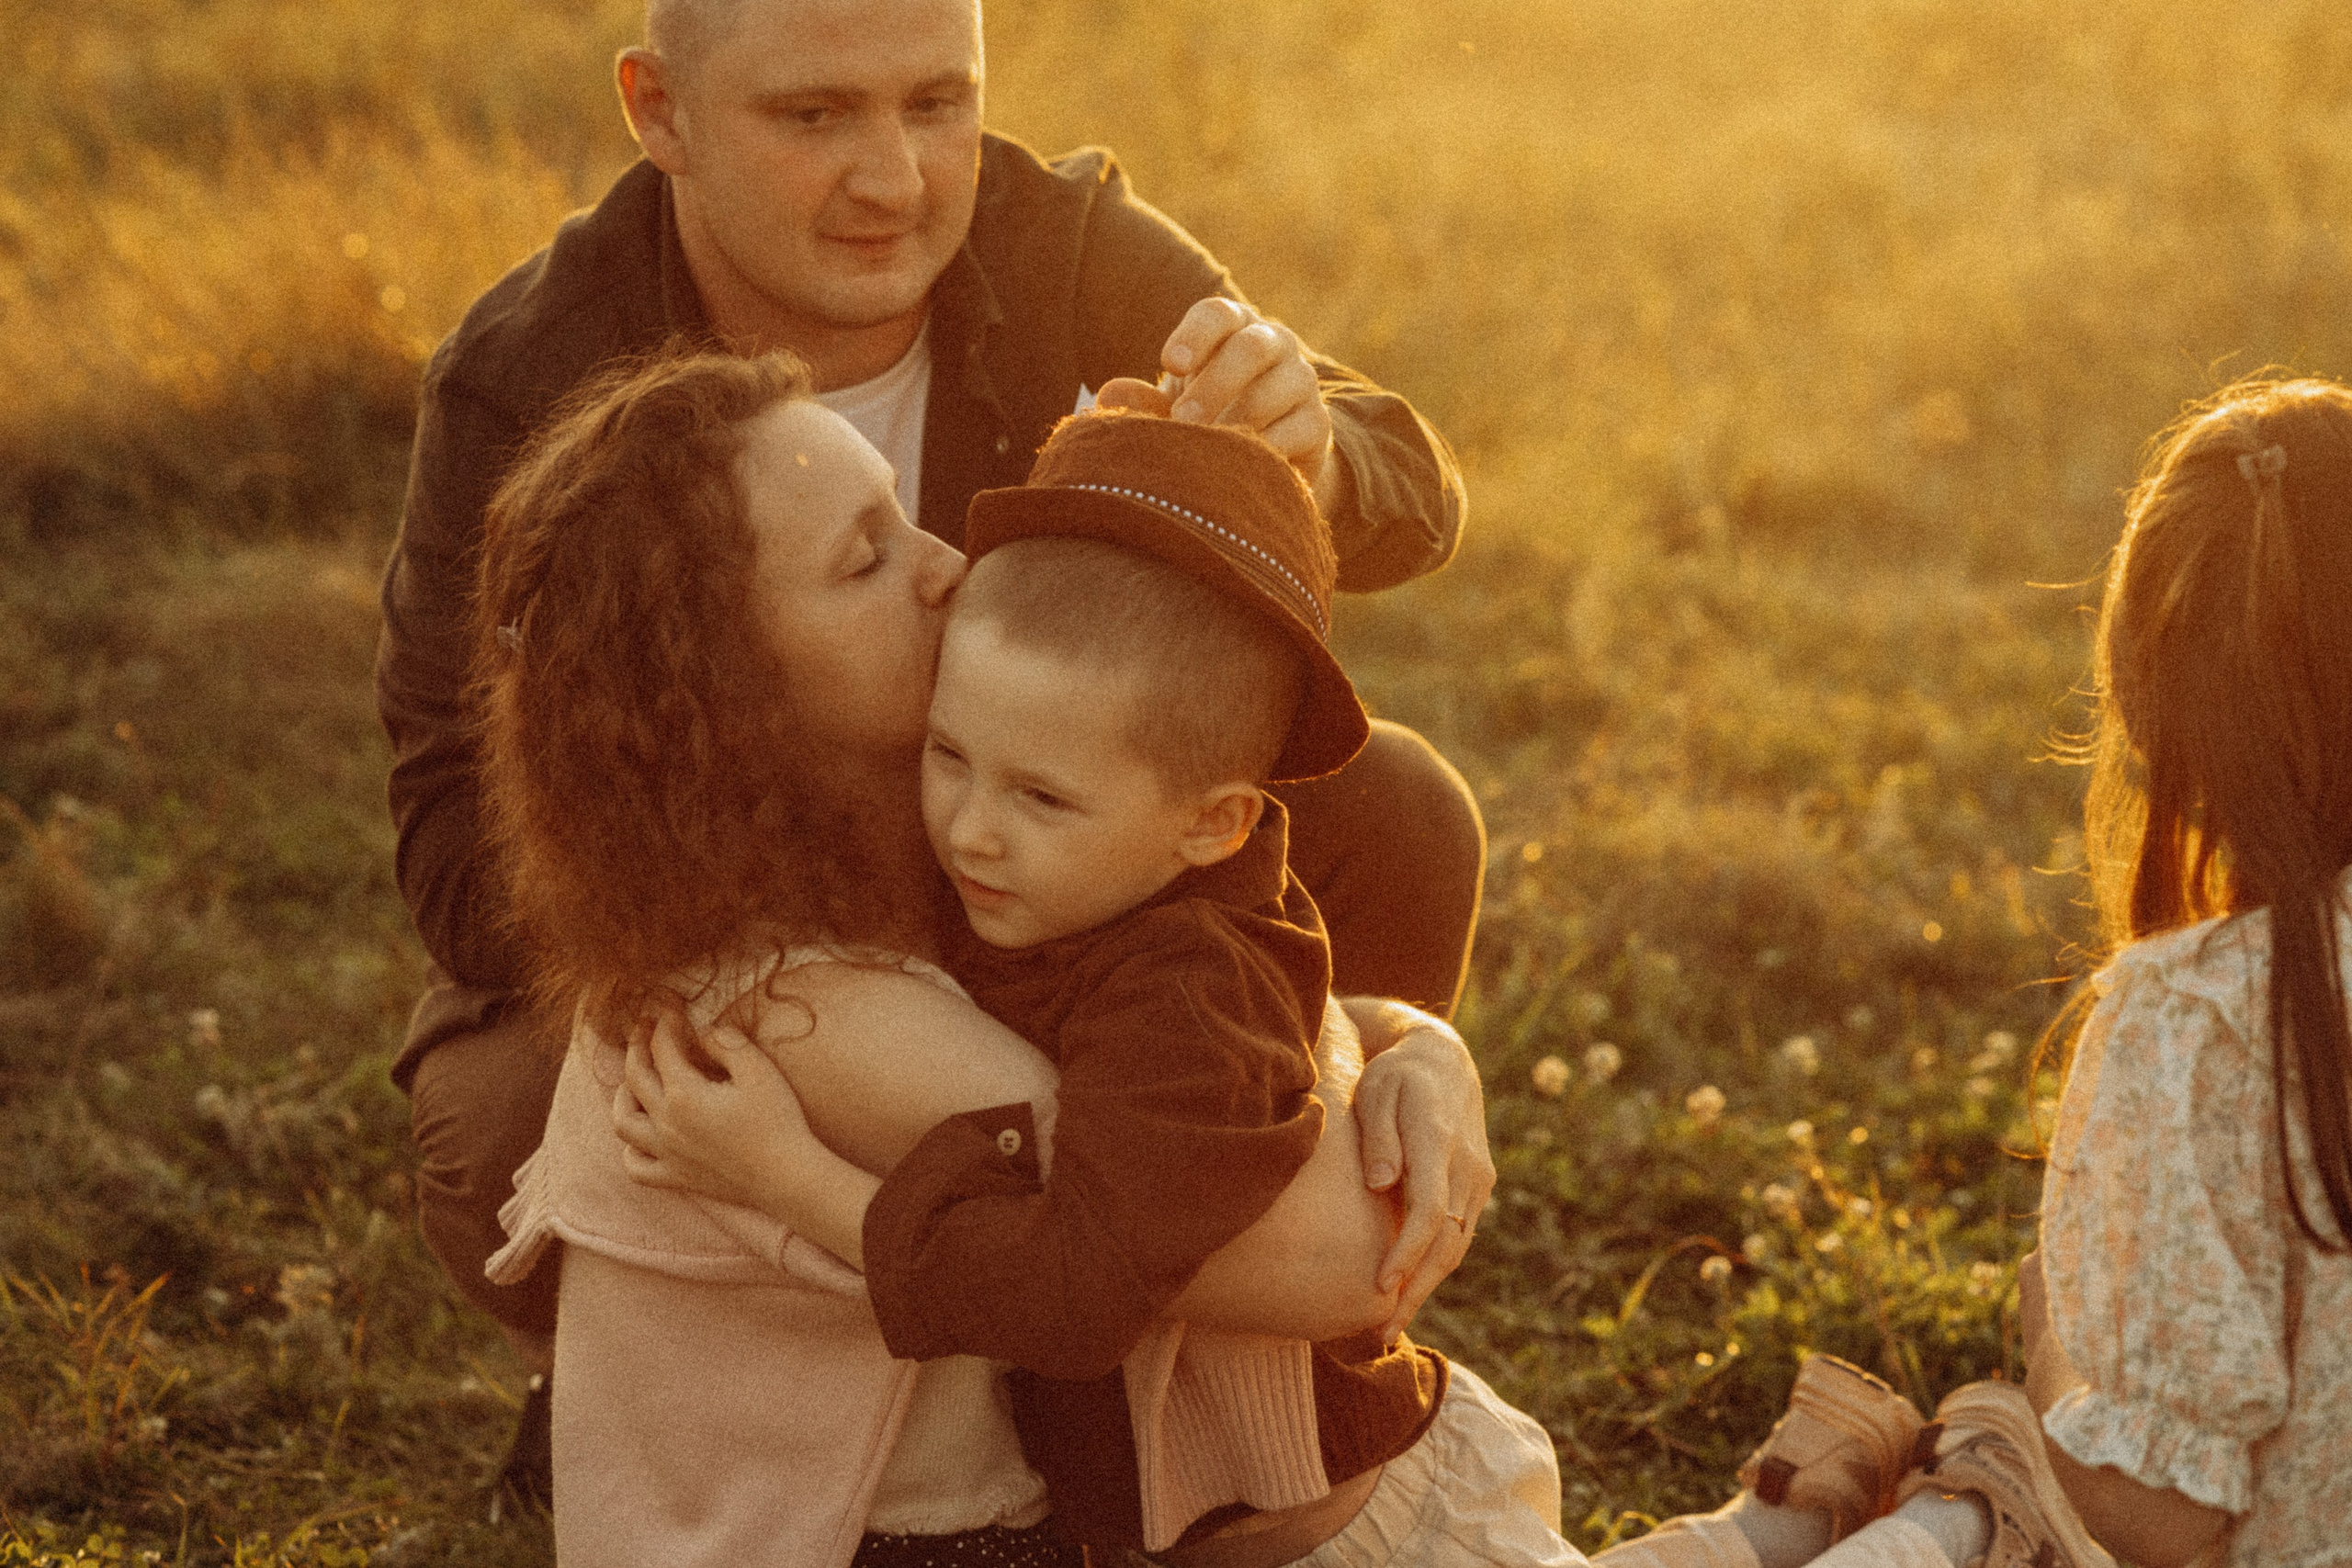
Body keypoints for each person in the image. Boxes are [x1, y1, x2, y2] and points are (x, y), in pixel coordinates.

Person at [375, 0, 1484, 1465]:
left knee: (1394, 809)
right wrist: (855, 966)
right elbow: (457, 845)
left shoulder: (1062, 244)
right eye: (814, 116)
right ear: (659, 112)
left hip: (1058, 850)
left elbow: (1413, 481)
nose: (895, 179)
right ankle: (682, 1368)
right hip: (741, 896)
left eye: (937, 102)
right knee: (521, 1101)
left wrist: (1316, 454)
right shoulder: (533, 374)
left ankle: (1279, 1318)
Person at [467, 349, 1487, 1566]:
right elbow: (1342, 1257)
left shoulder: (851, 863)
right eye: (868, 558)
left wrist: (1408, 1037)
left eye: (903, 514)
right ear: (730, 692)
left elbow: (1209, 1025)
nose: (947, 567)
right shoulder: (811, 1016)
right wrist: (1387, 1058)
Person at [1599, 378, 2352, 1568]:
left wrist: (2058, 1351)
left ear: (2147, 702)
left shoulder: (2194, 1023)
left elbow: (2163, 1513)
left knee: (1979, 1490)